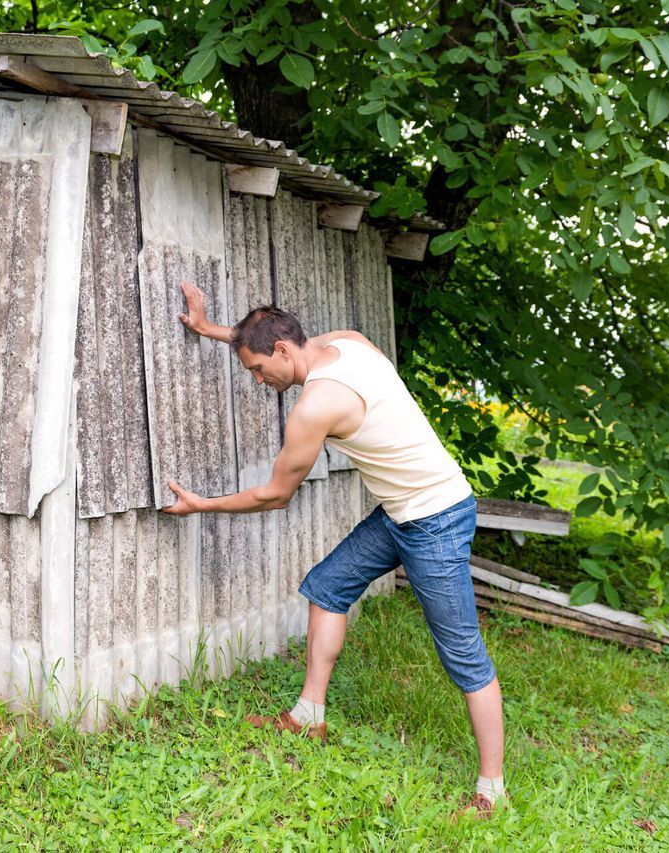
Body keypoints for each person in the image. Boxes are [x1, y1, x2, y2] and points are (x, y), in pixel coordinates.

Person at [163, 281, 507, 821]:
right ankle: (309, 714)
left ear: (280, 352)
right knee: (326, 587)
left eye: (256, 370)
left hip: (434, 520)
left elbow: (276, 495)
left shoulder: (313, 407)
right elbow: (263, 336)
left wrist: (202, 505)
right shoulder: (346, 344)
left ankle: (492, 792)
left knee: (463, 653)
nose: (257, 381)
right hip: (402, 511)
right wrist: (211, 330)